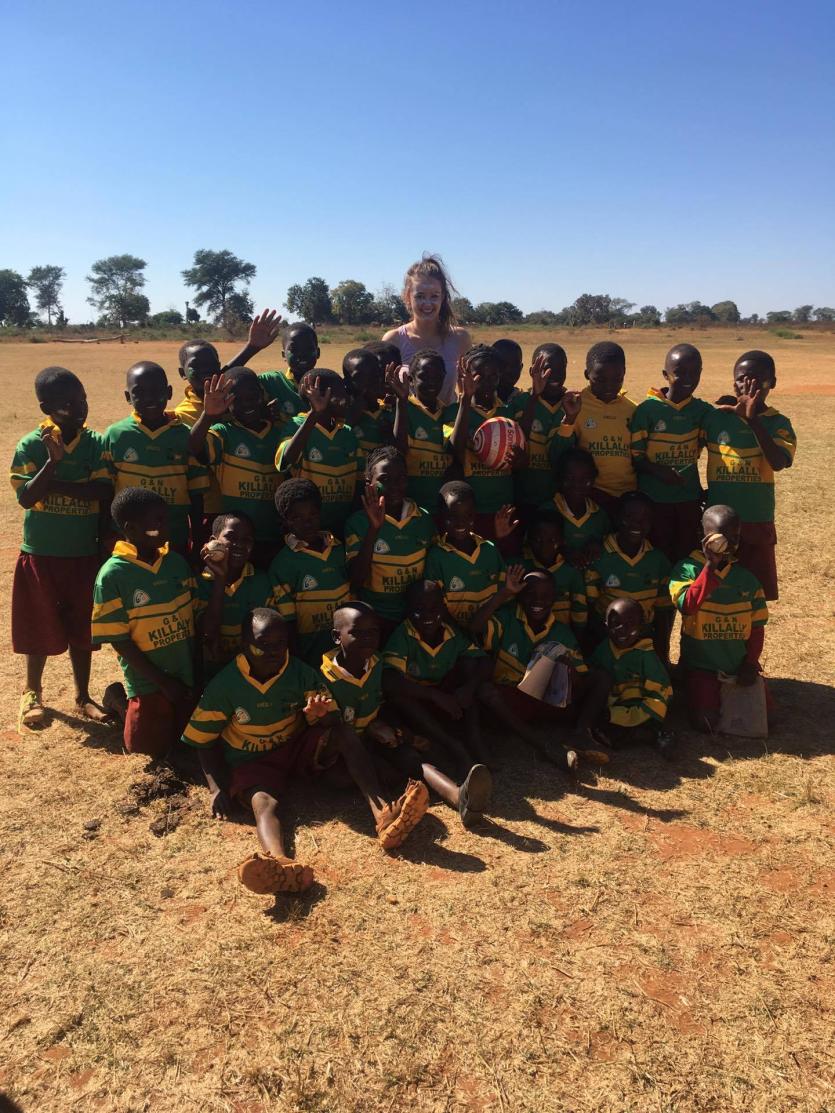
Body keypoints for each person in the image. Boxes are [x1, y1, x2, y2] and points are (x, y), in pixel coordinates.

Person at [182, 607, 429, 896]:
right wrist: (215, 788)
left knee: (343, 733)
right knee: (264, 803)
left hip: (295, 747)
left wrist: (322, 715)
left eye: (280, 643)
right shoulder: (225, 685)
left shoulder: (300, 673)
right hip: (254, 761)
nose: (273, 651)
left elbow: (331, 720)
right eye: (263, 644)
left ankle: (383, 814)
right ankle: (279, 865)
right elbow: (203, 739)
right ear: (244, 644)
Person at [322, 602, 493, 828]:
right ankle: (385, 812)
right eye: (357, 632)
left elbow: (383, 700)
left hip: (376, 740)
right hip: (347, 750)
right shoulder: (323, 675)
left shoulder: (376, 663)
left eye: (373, 632)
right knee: (356, 775)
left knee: (412, 759)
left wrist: (389, 728)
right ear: (337, 637)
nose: (367, 638)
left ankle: (460, 797)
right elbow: (327, 727)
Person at [11, 366, 112, 726]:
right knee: (38, 624)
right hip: (41, 552)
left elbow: (103, 491)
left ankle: (83, 696)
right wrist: (52, 463)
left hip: (83, 554)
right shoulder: (31, 445)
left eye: (82, 399)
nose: (79, 408)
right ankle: (32, 692)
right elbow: (26, 497)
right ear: (46, 408)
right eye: (67, 404)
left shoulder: (96, 443)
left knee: (83, 628)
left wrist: (53, 484)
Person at [92, 488, 196, 758]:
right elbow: (119, 641)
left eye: (166, 519)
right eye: (157, 521)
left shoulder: (175, 563)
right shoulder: (112, 575)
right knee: (147, 751)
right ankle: (119, 700)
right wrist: (163, 682)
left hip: (185, 674)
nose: (166, 526)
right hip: (149, 680)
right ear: (131, 529)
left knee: (188, 741)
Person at [702, 350, 796, 600]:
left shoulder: (778, 423)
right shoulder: (717, 418)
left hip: (756, 520)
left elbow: (778, 462)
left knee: (755, 594)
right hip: (718, 523)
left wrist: (753, 420)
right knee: (717, 593)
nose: (748, 385)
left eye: (757, 379)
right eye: (742, 379)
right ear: (734, 383)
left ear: (772, 383)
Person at [669, 504, 769, 732]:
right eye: (720, 537)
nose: (728, 544)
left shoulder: (746, 579)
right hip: (702, 666)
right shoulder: (686, 569)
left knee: (767, 719)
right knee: (705, 723)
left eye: (735, 537)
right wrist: (710, 566)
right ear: (702, 535)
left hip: (736, 667)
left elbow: (756, 627)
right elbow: (687, 606)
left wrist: (750, 663)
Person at [382, 580, 489, 774]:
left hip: (446, 699)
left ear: (444, 607)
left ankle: (474, 738)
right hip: (420, 703)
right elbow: (389, 680)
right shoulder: (403, 635)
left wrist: (469, 688)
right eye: (419, 609)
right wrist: (435, 696)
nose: (428, 615)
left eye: (434, 608)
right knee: (398, 696)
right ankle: (454, 746)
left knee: (469, 665)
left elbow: (483, 660)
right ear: (408, 610)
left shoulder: (450, 632)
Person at [102, 361, 208, 556]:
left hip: (174, 536)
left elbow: (196, 494)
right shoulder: (116, 435)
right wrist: (105, 532)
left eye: (156, 390)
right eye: (139, 392)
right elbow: (106, 490)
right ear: (128, 397)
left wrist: (198, 538)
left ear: (169, 392)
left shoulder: (187, 436)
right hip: (127, 540)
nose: (149, 397)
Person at [630, 343, 712, 562]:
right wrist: (659, 471)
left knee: (686, 554)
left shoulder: (703, 411)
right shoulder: (647, 411)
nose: (688, 378)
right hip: (654, 499)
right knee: (659, 554)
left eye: (694, 372)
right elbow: (636, 458)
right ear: (665, 375)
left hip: (688, 498)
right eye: (680, 372)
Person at [345, 447, 436, 632]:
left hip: (414, 618)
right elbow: (356, 581)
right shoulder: (358, 523)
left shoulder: (423, 519)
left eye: (400, 478)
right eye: (385, 479)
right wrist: (374, 529)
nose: (394, 485)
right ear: (369, 482)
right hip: (377, 618)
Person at [448, 344, 525, 542]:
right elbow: (455, 451)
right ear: (466, 375)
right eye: (479, 376)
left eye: (493, 376)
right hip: (471, 510)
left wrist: (518, 460)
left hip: (503, 508)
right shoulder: (453, 412)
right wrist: (465, 400)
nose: (487, 382)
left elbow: (520, 461)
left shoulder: (507, 413)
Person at [585, 492, 673, 666]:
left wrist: (662, 654)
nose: (637, 523)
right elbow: (591, 608)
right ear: (618, 518)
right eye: (630, 516)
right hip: (607, 639)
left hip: (644, 640)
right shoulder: (599, 555)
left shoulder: (658, 560)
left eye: (644, 518)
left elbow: (663, 612)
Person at [269, 479, 350, 665]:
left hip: (346, 655)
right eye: (297, 518)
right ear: (285, 520)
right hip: (311, 656)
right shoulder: (282, 564)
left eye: (313, 514)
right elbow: (288, 623)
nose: (308, 523)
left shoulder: (339, 549)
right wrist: (299, 663)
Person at [583, 598, 673, 755]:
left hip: (641, 708)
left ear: (641, 626)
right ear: (606, 625)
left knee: (625, 730)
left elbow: (659, 694)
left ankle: (654, 735)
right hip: (616, 707)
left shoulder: (646, 656)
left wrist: (639, 715)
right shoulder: (604, 649)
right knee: (599, 724)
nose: (622, 629)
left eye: (630, 624)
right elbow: (593, 673)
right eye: (615, 623)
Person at [555, 341, 636, 514]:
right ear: (587, 374)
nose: (609, 386)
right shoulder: (576, 404)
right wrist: (569, 419)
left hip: (627, 495)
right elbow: (559, 453)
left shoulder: (632, 410)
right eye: (600, 380)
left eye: (617, 379)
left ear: (624, 373)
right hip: (590, 495)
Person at [275, 370, 359, 536]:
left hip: (342, 526)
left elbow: (360, 480)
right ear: (320, 397)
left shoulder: (347, 432)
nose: (347, 399)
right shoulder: (296, 425)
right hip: (308, 529)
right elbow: (285, 462)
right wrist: (314, 414)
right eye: (341, 394)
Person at [382, 255, 471, 404]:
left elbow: (471, 389)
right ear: (407, 296)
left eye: (434, 296)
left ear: (443, 297)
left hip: (452, 418)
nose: (427, 303)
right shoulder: (394, 340)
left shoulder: (460, 338)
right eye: (420, 296)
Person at [195, 512, 272, 677]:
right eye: (231, 537)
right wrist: (220, 578)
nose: (239, 544)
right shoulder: (199, 583)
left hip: (253, 671)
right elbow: (208, 633)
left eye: (246, 539)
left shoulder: (262, 581)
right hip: (213, 674)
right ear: (213, 541)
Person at [424, 481, 506, 629]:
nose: (460, 523)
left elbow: (501, 594)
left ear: (475, 515)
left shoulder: (490, 550)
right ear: (441, 515)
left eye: (467, 515)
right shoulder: (436, 557)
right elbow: (436, 605)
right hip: (453, 635)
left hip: (489, 635)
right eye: (452, 516)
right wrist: (461, 636)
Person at [390, 349, 457, 511]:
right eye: (424, 377)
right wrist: (401, 402)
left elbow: (452, 450)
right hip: (413, 506)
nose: (431, 382)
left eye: (437, 377)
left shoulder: (448, 413)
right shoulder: (404, 410)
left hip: (442, 506)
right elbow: (399, 452)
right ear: (411, 380)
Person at [513, 344, 570, 514]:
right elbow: (519, 440)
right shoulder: (520, 402)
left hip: (558, 500)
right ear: (533, 371)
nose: (555, 374)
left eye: (561, 368)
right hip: (523, 496)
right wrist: (535, 396)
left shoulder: (571, 404)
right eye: (547, 368)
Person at [520, 511, 588, 635]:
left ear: (562, 541)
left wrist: (576, 638)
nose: (544, 546)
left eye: (552, 540)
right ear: (529, 540)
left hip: (562, 637)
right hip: (525, 635)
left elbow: (579, 609)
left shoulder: (571, 571)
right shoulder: (520, 567)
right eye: (538, 540)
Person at [544, 448, 611, 567]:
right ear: (560, 478)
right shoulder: (548, 511)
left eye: (584, 479)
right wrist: (563, 551)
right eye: (570, 478)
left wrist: (599, 544)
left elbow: (610, 544)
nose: (577, 485)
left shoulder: (600, 514)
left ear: (593, 479)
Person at [259, 321, 319, 421]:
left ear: (318, 352)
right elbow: (234, 381)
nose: (302, 354)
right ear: (284, 355)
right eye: (294, 349)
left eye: (308, 348)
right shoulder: (272, 382)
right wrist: (251, 347)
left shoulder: (327, 384)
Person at [342, 348, 393, 465]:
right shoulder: (340, 414)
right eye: (360, 377)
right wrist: (352, 418)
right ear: (347, 382)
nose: (370, 381)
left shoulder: (389, 411)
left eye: (374, 374)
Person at [492, 338, 524, 405]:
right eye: (503, 365)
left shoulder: (523, 401)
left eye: (514, 365)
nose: (508, 370)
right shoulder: (478, 401)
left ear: (521, 368)